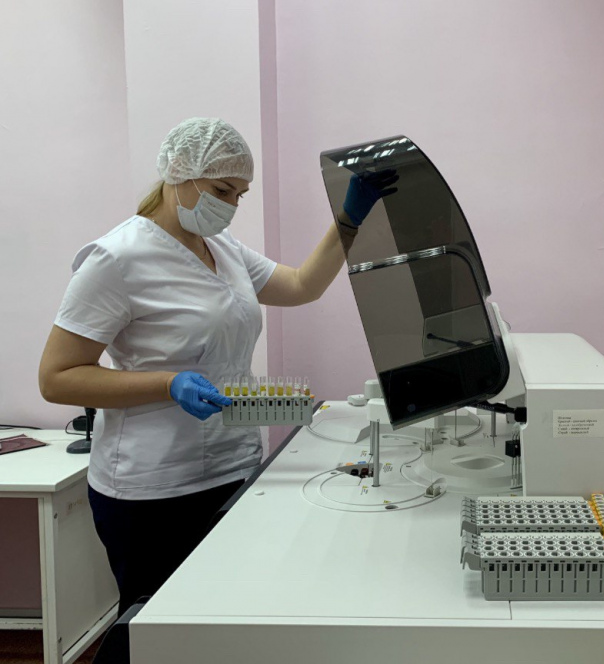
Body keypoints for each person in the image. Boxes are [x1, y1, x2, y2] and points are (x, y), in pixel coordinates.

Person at [38, 117, 397, 615]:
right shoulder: (116, 259)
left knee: (224, 619)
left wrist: (348, 220)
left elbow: (301, 286)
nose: (230, 206)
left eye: (239, 195)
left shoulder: (222, 248)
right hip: (153, 488)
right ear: (177, 173)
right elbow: (57, 377)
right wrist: (168, 383)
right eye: (222, 190)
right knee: (159, 627)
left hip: (234, 467)